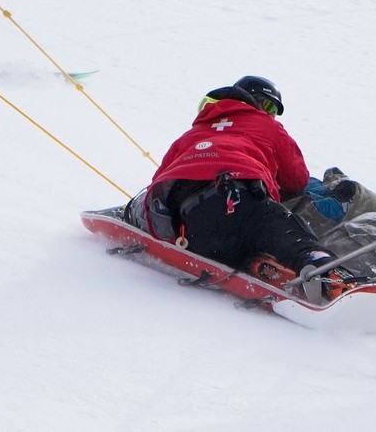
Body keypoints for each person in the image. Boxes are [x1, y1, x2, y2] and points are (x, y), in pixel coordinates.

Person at [129, 76, 354, 302]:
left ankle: (257, 263)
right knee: (280, 227)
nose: (270, 114)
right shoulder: (268, 126)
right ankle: (324, 270)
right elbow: (296, 179)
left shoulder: (190, 136)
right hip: (239, 201)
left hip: (187, 228)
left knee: (245, 238)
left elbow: (158, 182)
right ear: (251, 102)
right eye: (267, 106)